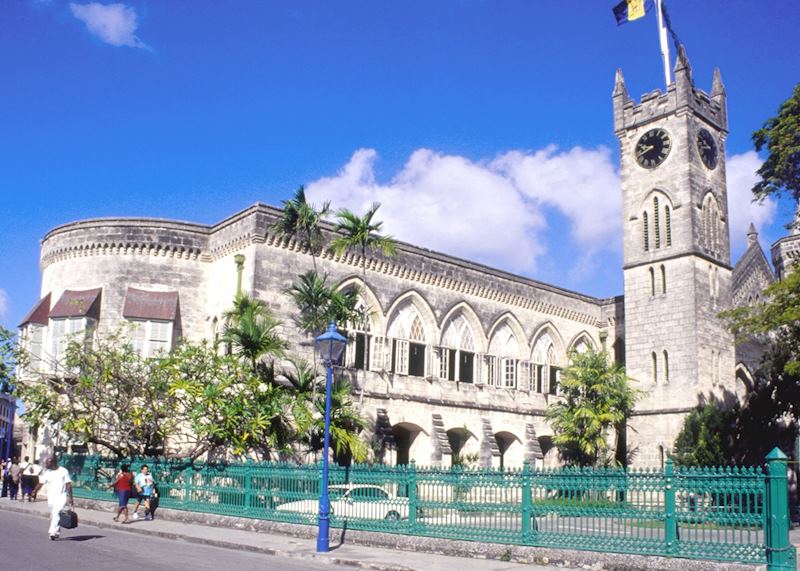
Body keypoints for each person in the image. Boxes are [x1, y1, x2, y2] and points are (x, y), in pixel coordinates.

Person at [34, 455, 74, 540]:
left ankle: (52, 532)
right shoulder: (47, 472)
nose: (45, 465)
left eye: (47, 463)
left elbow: (68, 484)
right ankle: (57, 532)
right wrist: (35, 491)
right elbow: (41, 483)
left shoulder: (63, 471)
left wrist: (70, 497)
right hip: (51, 497)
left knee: (56, 513)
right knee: (55, 515)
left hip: (61, 496)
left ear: (53, 462)